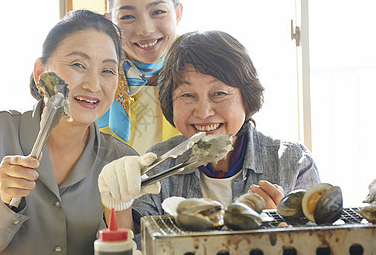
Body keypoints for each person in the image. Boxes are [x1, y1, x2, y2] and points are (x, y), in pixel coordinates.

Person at [0, 10, 152, 255]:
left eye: (107, 71)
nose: (93, 85)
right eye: (78, 64)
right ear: (40, 73)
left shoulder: (122, 161)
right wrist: (0, 200)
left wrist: (119, 208)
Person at [98, 30, 321, 247]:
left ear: (247, 97)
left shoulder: (292, 162)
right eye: (187, 95)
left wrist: (278, 229)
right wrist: (119, 204)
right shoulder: (157, 164)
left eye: (219, 93)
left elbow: (319, 244)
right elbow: (139, 247)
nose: (204, 112)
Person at [98, 0, 183, 154]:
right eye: (127, 16)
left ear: (178, 13)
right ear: (109, 22)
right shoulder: (93, 79)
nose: (145, 29)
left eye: (158, 12)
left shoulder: (204, 68)